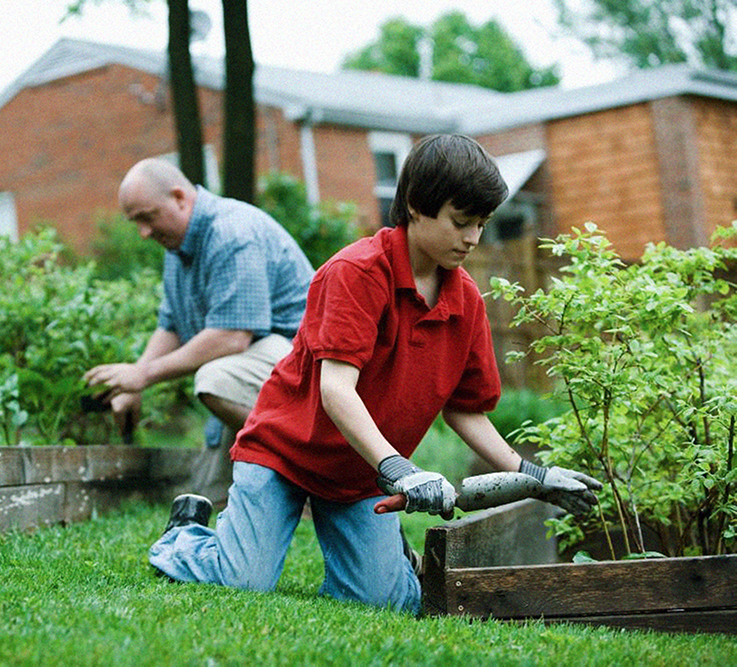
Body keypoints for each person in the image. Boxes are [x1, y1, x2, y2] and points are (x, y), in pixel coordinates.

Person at [148, 134, 602, 614]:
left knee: (384, 602)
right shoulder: (356, 273)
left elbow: (465, 412)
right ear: (414, 206)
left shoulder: (465, 301)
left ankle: (387, 562)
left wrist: (536, 475)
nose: (472, 238)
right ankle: (185, 535)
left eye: (481, 224)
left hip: (361, 474)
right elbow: (336, 390)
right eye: (461, 222)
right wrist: (401, 469)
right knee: (242, 580)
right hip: (285, 453)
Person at [84, 158, 314, 503]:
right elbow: (172, 324)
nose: (143, 233)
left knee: (216, 379)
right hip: (257, 368)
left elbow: (231, 337)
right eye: (136, 223)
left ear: (179, 197)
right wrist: (132, 383)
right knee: (208, 495)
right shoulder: (178, 246)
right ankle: (271, 489)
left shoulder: (231, 233)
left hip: (304, 366)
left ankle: (312, 474)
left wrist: (144, 374)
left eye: (147, 217)